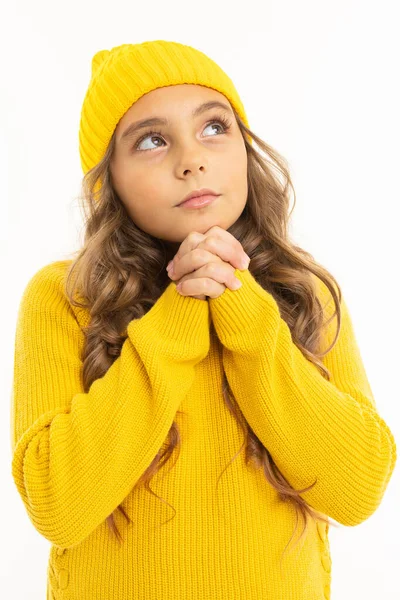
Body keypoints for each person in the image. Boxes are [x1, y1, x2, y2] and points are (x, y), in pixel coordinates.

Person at [10, 40, 396, 600]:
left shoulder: (303, 292)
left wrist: (245, 312)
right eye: (151, 140)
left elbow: (357, 489)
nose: (191, 159)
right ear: (108, 181)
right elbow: (56, 505)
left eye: (214, 128)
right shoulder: (64, 296)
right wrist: (178, 313)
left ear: (244, 149)